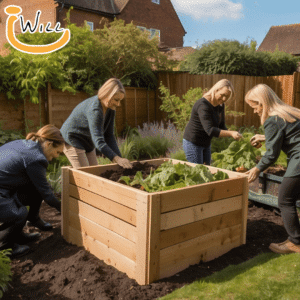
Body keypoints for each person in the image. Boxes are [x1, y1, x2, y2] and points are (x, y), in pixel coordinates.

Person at [245, 84, 300, 254]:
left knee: (285, 199)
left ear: (262, 103)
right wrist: (264, 136)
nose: (254, 111)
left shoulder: (272, 120)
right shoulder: (289, 112)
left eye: (254, 107)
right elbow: (289, 134)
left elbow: (272, 155)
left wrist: (257, 169)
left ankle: (295, 243)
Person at [0, 125, 63, 257]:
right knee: (19, 213)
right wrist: (66, 209)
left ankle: (19, 233)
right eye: (58, 152)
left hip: (5, 188)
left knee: (35, 189)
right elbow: (48, 195)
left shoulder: (28, 145)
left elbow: (42, 186)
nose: (57, 156)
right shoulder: (36, 158)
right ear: (49, 144)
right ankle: (5, 247)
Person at [60, 78, 132, 169]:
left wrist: (120, 159)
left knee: (95, 173)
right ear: (107, 95)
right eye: (116, 100)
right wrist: (116, 159)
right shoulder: (95, 110)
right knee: (85, 175)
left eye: (120, 100)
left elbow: (109, 135)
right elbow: (98, 141)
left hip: (88, 140)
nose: (118, 104)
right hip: (73, 138)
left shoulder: (110, 108)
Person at [183, 79, 243, 165]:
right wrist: (231, 133)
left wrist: (235, 135)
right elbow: (210, 130)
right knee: (197, 173)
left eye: (227, 96)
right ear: (216, 90)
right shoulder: (203, 105)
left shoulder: (220, 104)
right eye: (222, 95)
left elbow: (221, 126)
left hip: (206, 143)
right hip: (193, 142)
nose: (224, 99)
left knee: (208, 170)